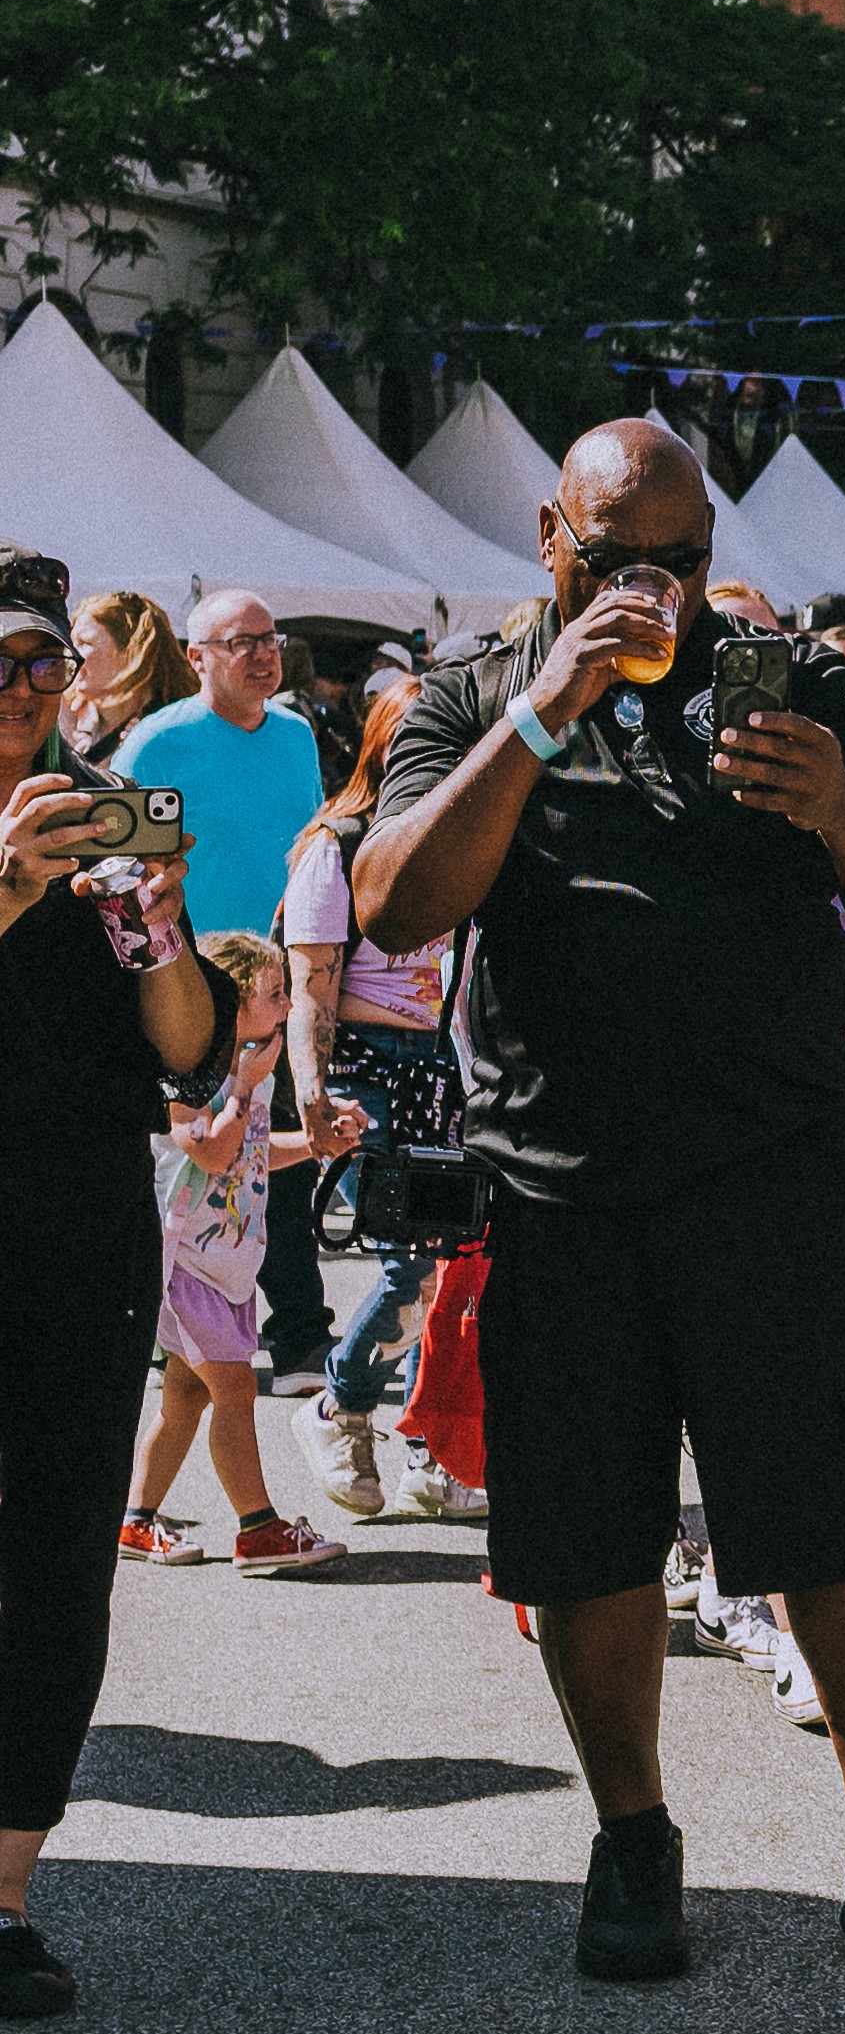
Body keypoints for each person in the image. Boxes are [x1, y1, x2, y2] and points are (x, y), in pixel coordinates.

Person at [354, 414, 845, 1992]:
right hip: (560, 1185)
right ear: (551, 538)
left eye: (684, 559)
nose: (655, 587)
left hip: (769, 1178)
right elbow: (399, 899)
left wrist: (835, 798)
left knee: (833, 1522)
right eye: (618, 557)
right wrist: (547, 712)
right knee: (585, 1539)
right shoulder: (476, 691)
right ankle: (633, 1834)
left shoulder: (789, 678)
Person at [0, 550, 224, 2012]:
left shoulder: (100, 814)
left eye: (39, 664)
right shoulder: (34, 841)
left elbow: (191, 1045)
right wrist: (12, 877)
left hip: (78, 1215)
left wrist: (157, 917)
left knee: (60, 1544)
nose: (27, 688)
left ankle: (6, 1890)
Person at [116, 589, 333, 1383]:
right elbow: (120, 860)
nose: (262, 653)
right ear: (198, 655)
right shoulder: (155, 742)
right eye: (241, 641)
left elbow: (310, 849)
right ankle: (160, 1311)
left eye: (270, 639)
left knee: (277, 1146)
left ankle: (302, 1328)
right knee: (185, 1152)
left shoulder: (298, 735)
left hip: (271, 978)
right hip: (189, 981)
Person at [283, 679, 480, 1526]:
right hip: (364, 1063)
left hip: (440, 1064)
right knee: (411, 1260)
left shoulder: (465, 843)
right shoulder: (340, 843)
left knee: (447, 1257)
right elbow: (310, 985)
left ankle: (420, 1444)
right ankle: (341, 1404)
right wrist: (312, 1091)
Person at [123, 929, 351, 1574]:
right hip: (184, 1261)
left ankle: (137, 1520)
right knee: (234, 1388)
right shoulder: (188, 1076)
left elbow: (252, 1156)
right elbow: (213, 1149)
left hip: (226, 1264)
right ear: (228, 1001)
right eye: (273, 995)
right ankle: (259, 1529)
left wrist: (318, 1144)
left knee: (186, 1399)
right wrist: (247, 1084)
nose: (286, 1007)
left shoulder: (247, 1072)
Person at [63, 587, 185, 760]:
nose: (69, 654)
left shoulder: (172, 731)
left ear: (130, 651)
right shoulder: (70, 723)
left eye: (84, 643)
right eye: (71, 643)